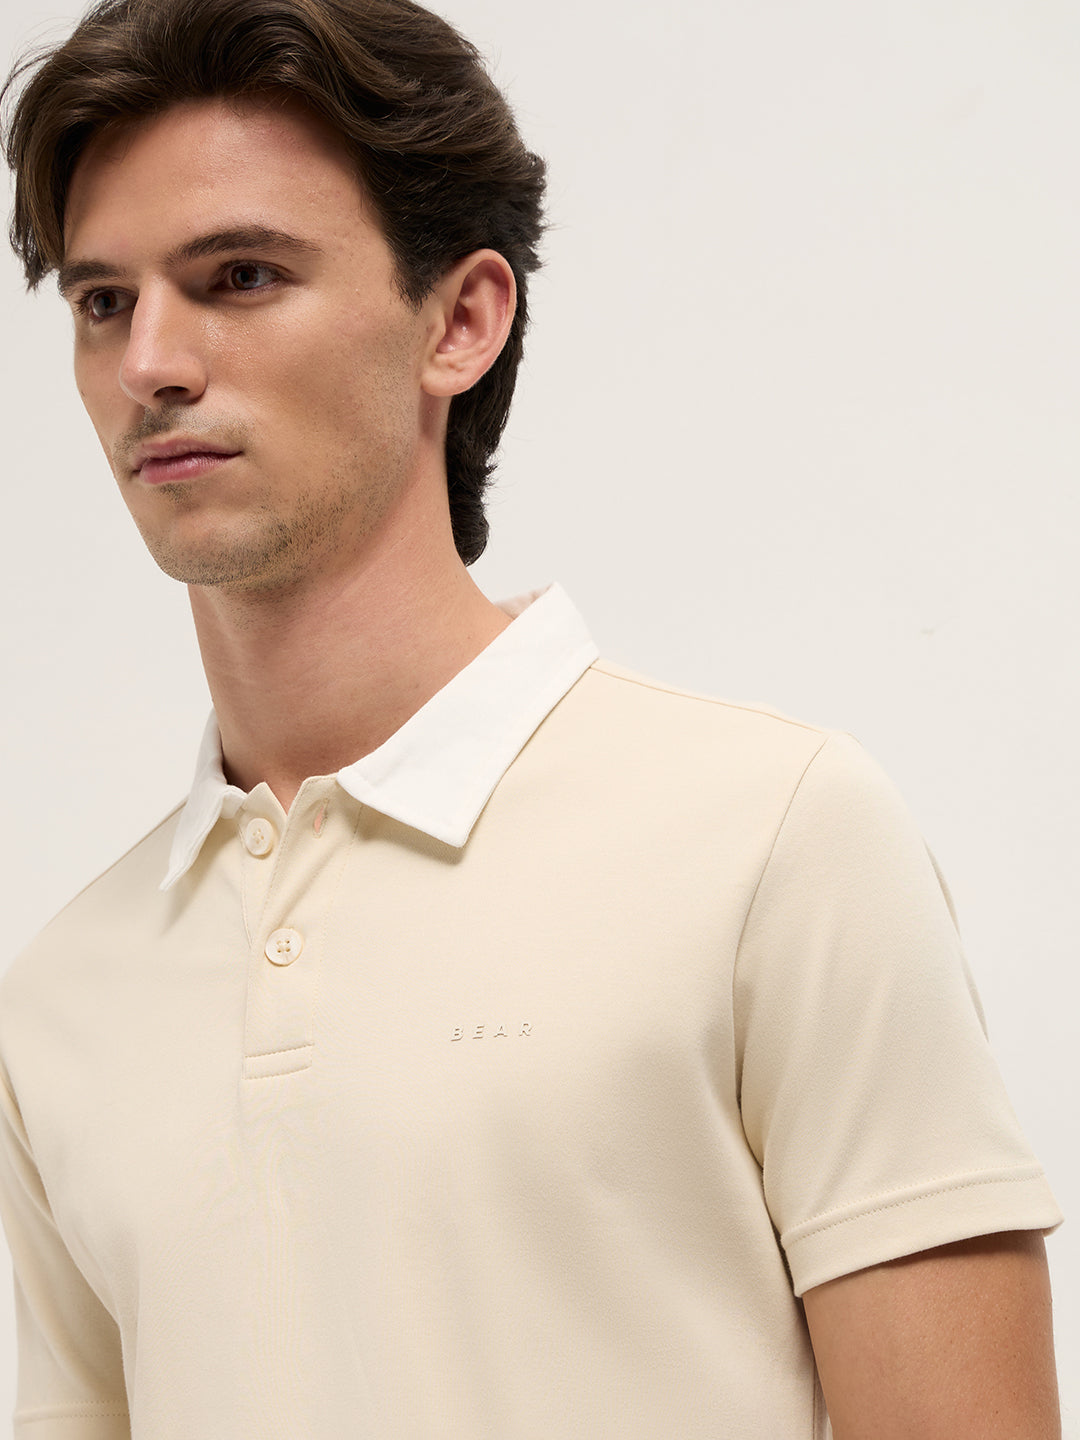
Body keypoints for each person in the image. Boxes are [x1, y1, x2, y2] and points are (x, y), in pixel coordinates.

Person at [0, 0, 1063, 1435]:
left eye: (240, 276)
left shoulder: (773, 842)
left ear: (461, 321)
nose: (150, 364)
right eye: (102, 302)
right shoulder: (62, 1000)